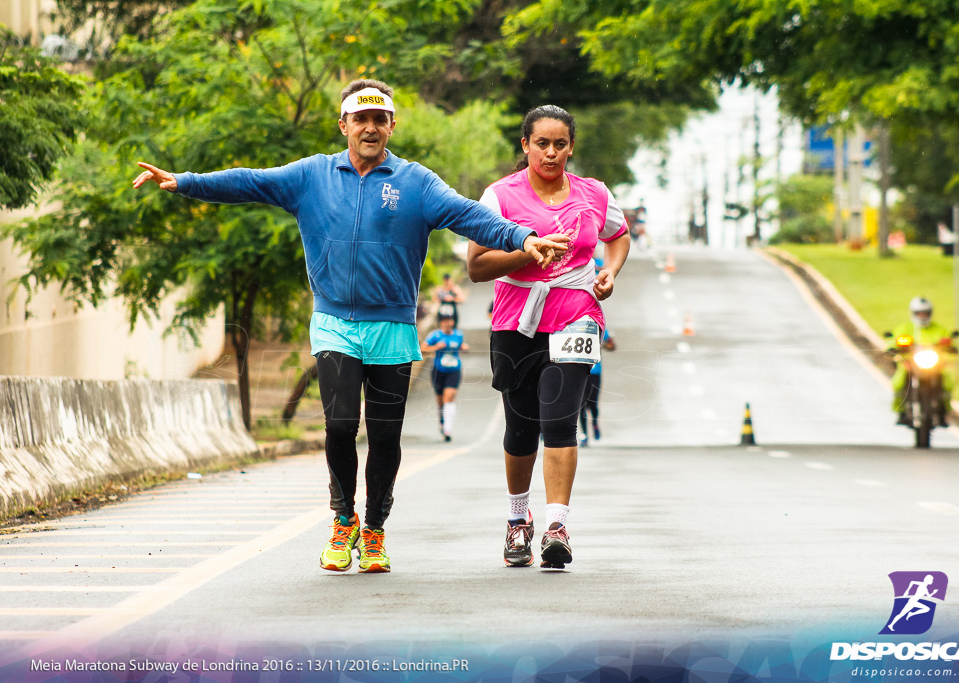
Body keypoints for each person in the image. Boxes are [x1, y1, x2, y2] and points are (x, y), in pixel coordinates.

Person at [132, 78, 568, 574]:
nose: (369, 127)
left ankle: (375, 530)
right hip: (335, 322)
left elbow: (470, 215)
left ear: (391, 126)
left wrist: (524, 237)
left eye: (379, 119)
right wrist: (185, 181)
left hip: (392, 328)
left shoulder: (415, 183)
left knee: (384, 438)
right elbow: (250, 181)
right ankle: (343, 522)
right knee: (340, 425)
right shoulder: (311, 177)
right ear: (343, 125)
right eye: (359, 118)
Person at [467, 104, 630, 569]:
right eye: (542, 143)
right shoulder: (500, 196)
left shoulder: (594, 194)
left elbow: (619, 236)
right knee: (521, 426)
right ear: (526, 145)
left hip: (577, 312)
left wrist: (610, 273)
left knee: (560, 420)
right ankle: (518, 521)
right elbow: (477, 267)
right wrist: (525, 252)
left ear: (571, 147)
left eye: (560, 144)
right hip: (516, 320)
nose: (552, 153)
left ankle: (557, 527)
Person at [888, 297, 955, 425]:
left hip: (934, 363)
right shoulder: (906, 328)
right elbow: (893, 340)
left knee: (948, 382)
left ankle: (944, 410)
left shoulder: (939, 329)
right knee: (898, 382)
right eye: (919, 313)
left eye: (925, 313)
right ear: (913, 313)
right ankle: (900, 410)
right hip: (910, 362)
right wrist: (892, 347)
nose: (922, 316)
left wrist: (951, 346)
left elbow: (948, 340)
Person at [422, 314, 467, 442]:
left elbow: (461, 345)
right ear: (441, 323)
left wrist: (464, 347)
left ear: (453, 322)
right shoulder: (435, 335)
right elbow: (423, 349)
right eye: (445, 321)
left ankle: (448, 429)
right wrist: (436, 347)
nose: (448, 323)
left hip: (454, 370)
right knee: (440, 400)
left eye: (450, 321)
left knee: (450, 397)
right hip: (438, 370)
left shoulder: (458, 335)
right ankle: (442, 423)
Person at [579, 327, 615, 447]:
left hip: (595, 371)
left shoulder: (599, 325)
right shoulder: (572, 323)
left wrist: (603, 344)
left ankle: (594, 423)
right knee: (581, 405)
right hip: (578, 370)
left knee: (592, 404)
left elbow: (612, 346)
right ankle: (584, 434)